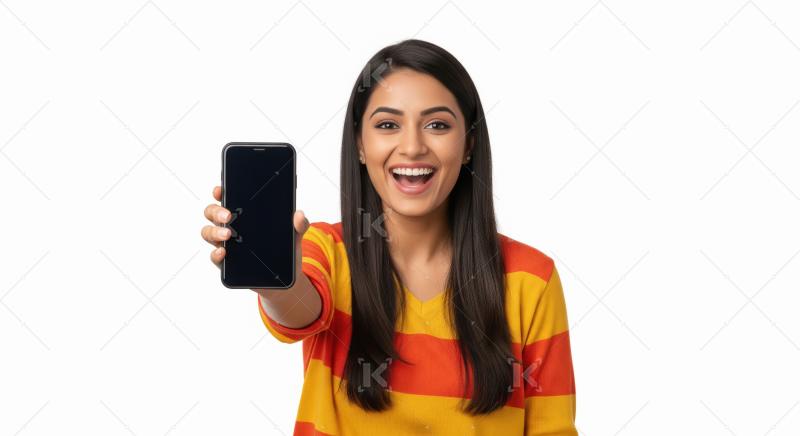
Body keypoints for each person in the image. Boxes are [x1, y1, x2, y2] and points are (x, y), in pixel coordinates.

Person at [201, 39, 577, 436]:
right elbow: (298, 309)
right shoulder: (327, 250)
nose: (412, 147)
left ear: (468, 144)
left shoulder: (531, 279)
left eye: (437, 125)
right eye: (387, 125)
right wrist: (276, 283)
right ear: (361, 146)